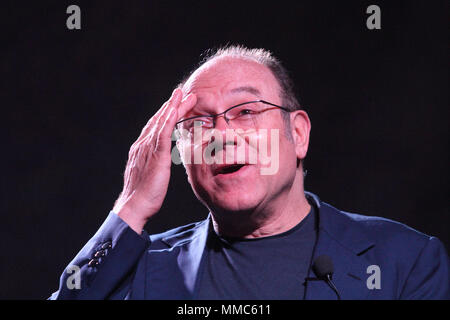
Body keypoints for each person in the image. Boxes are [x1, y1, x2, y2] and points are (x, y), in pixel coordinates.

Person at [49, 45, 449, 300]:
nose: (222, 135)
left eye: (246, 112)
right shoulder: (138, 268)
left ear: (298, 133)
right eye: (199, 123)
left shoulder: (405, 261)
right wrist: (131, 208)